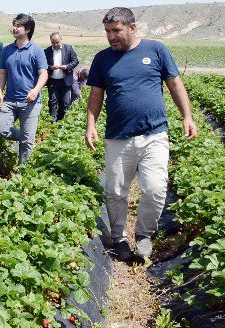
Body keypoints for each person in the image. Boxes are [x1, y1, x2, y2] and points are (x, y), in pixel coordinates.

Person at [85, 7, 198, 260]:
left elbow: (175, 84)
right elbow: (95, 96)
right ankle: (118, 237)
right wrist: (90, 125)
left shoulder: (156, 50)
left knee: (156, 189)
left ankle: (145, 233)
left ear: (132, 28)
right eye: (107, 32)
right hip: (117, 136)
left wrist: (187, 116)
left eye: (116, 31)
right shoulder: (102, 58)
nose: (111, 37)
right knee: (115, 191)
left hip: (154, 134)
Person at [0, 14, 48, 164]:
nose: (15, 28)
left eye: (18, 26)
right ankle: (26, 136)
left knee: (26, 145)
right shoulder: (7, 50)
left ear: (28, 29)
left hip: (30, 102)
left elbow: (43, 74)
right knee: (0, 130)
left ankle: (22, 173)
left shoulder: (36, 50)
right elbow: (3, 73)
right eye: (14, 25)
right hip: (10, 100)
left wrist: (36, 90)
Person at [44, 32, 79, 122]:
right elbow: (43, 64)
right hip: (53, 80)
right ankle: (53, 121)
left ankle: (62, 121)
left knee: (66, 102)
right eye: (53, 43)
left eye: (57, 42)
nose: (55, 44)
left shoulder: (68, 48)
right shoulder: (47, 51)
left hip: (65, 80)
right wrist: (50, 67)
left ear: (61, 40)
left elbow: (75, 61)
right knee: (53, 101)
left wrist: (67, 66)